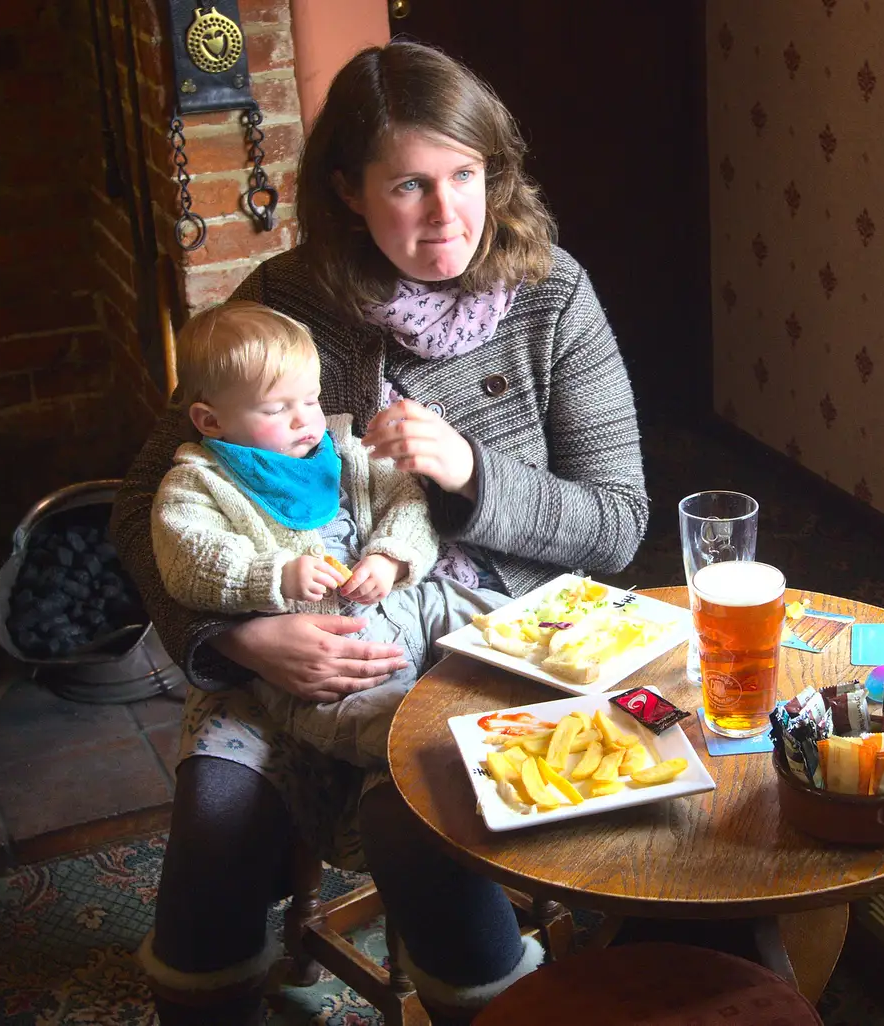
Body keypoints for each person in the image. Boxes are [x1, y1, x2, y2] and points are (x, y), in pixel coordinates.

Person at [113, 41, 647, 1026]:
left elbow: (617, 524)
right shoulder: (282, 302)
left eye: (465, 176)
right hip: (290, 645)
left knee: (416, 823)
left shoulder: (552, 294)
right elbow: (140, 503)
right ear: (349, 193)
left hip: (497, 638)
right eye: (408, 184)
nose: (446, 214)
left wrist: (474, 476)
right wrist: (228, 640)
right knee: (214, 826)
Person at [151, 300, 507, 767]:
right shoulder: (197, 483)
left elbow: (407, 499)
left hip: (409, 603)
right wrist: (275, 576)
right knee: (377, 725)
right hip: (326, 656)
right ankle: (448, 754)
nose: (304, 420)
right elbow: (190, 561)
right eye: (277, 409)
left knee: (498, 619)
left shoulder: (344, 450)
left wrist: (391, 556)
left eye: (311, 400)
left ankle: (549, 655)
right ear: (211, 421)